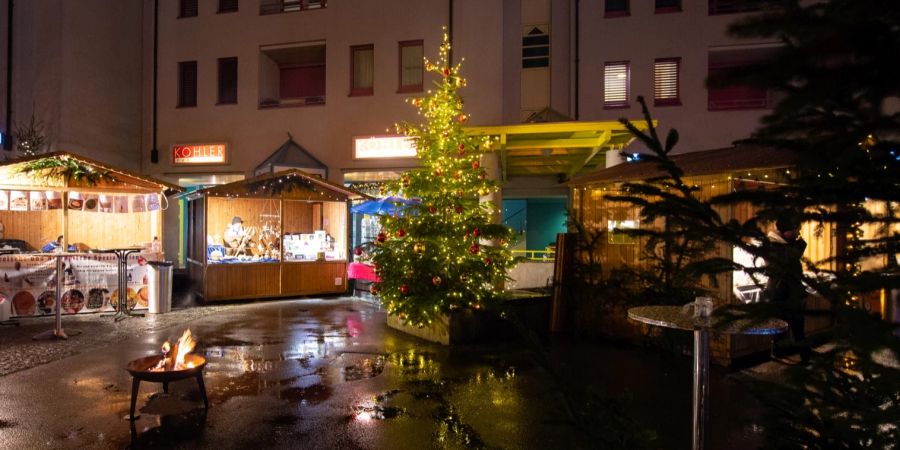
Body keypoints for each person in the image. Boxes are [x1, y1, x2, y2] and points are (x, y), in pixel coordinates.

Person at [764, 211, 810, 364]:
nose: (798, 233)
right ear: (786, 231)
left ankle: (804, 357)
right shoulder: (773, 245)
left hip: (793, 294)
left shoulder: (786, 244)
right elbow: (786, 263)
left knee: (798, 328)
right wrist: (800, 247)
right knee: (780, 328)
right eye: (796, 230)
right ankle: (779, 354)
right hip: (780, 294)